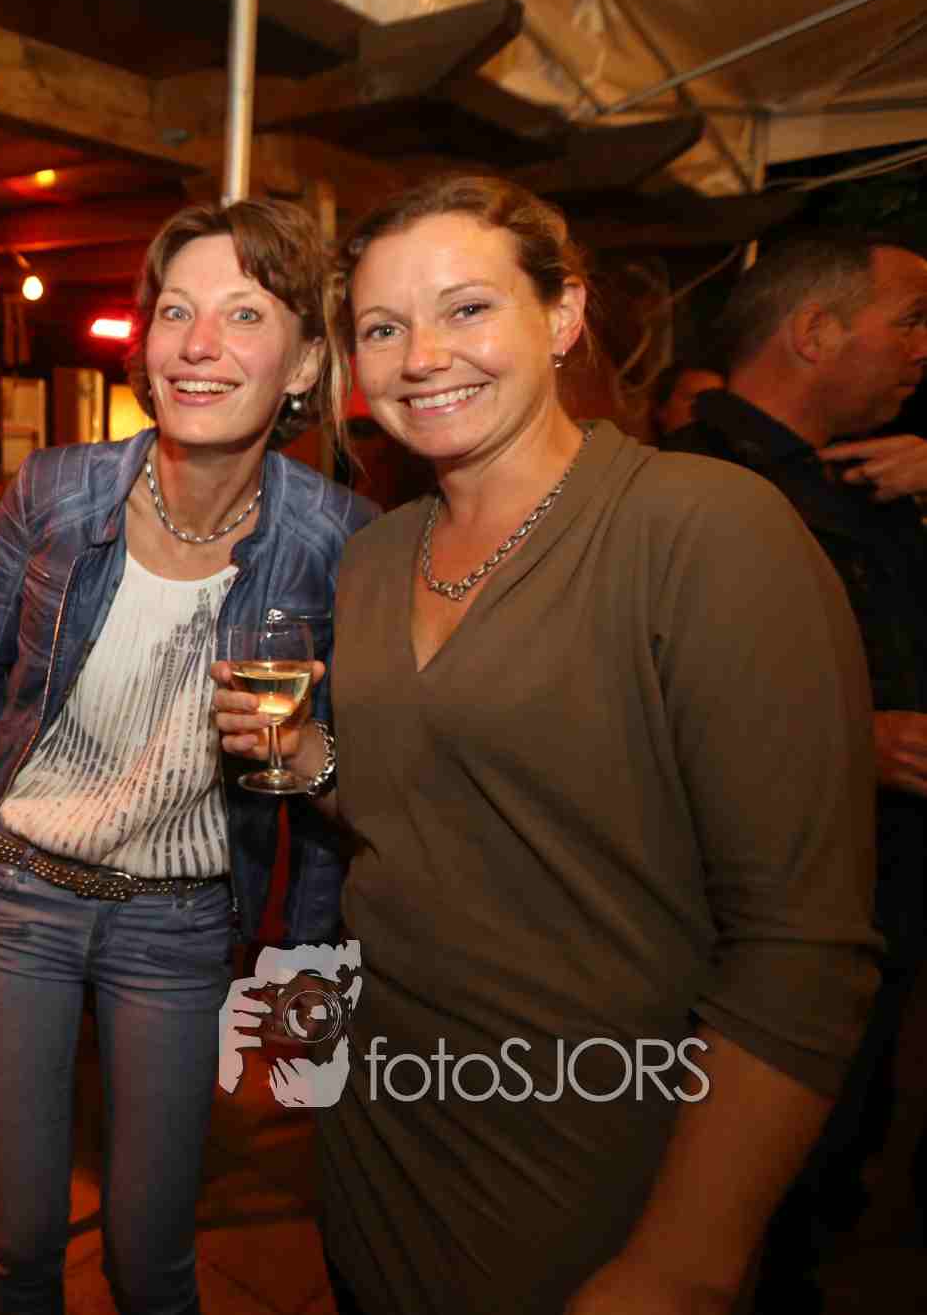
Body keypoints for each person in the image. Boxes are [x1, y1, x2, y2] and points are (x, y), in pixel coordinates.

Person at [319, 175, 881, 1315]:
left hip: (592, 1152)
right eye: (382, 328)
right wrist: (310, 767)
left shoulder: (704, 529)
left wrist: (681, 1263)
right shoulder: (371, 558)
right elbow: (422, 809)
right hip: (377, 1134)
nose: (421, 356)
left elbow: (801, 948)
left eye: (467, 308)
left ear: (563, 313)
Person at [0, 198, 374, 1315]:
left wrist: (306, 960)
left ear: (305, 361)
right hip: (21, 891)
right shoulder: (56, 489)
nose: (198, 344)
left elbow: (337, 776)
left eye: (244, 314)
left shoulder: (338, 538)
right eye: (176, 311)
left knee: (151, 1251)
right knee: (23, 1236)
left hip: (180, 919)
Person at [662, 233, 927, 1311]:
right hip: (751, 933)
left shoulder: (870, 477)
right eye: (909, 319)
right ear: (815, 331)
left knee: (826, 1183)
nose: (923, 347)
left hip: (867, 912)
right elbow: (643, 696)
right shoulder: (692, 484)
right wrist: (850, 739)